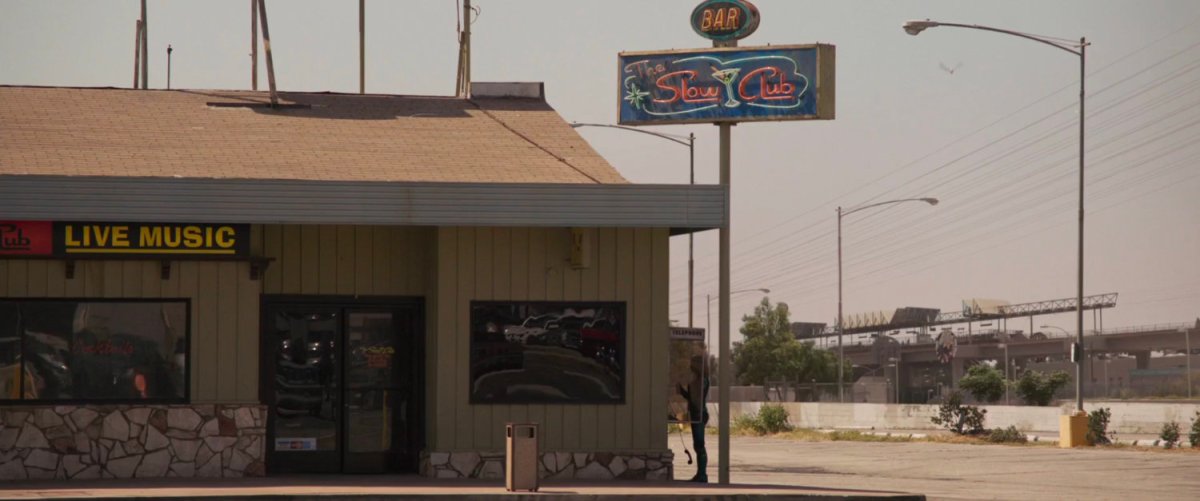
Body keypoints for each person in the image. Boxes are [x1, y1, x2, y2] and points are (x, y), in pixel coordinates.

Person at [677, 354, 709, 483]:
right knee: (697, 445)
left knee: (700, 445)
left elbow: (695, 399)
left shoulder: (701, 381)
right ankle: (700, 473)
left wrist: (684, 391)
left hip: (699, 414)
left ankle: (702, 474)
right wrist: (682, 391)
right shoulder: (698, 380)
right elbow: (692, 398)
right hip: (696, 413)